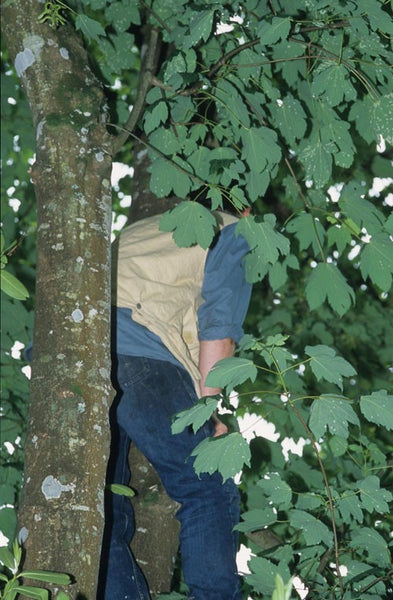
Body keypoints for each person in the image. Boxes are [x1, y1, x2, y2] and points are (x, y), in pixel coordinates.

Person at [99, 208, 252, 600]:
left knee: (104, 513)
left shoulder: (148, 230)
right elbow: (219, 331)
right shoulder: (233, 230)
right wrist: (209, 410)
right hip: (135, 346)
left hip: (82, 351)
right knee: (207, 487)